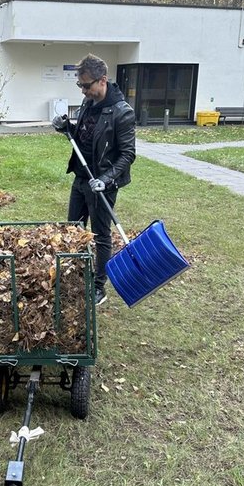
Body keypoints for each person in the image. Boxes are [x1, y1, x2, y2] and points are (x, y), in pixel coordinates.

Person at [52, 53, 136, 306]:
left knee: (100, 235)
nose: (83, 91)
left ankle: (99, 286)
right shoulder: (89, 104)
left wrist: (107, 179)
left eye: (86, 85)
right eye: (80, 85)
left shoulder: (122, 112)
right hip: (81, 178)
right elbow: (83, 136)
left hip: (102, 183)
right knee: (73, 229)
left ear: (102, 80)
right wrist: (66, 127)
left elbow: (128, 154)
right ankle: (76, 277)